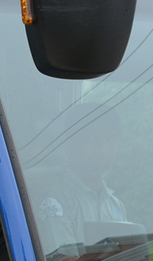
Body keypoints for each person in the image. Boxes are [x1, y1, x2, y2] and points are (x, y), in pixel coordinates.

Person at [30, 105, 129, 253]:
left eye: (110, 140)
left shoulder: (116, 206)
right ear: (69, 143)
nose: (103, 150)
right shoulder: (55, 200)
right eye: (92, 139)